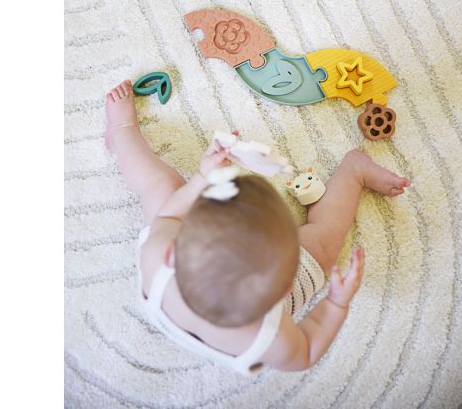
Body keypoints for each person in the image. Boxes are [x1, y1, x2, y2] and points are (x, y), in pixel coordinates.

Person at [105, 80, 410, 376]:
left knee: (159, 187)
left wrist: (202, 177)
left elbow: (170, 217)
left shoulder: (156, 256)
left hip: (167, 299)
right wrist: (336, 303)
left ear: (173, 252)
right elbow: (307, 350)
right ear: (286, 287)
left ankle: (122, 131)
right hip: (234, 311)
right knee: (323, 245)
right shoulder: (273, 339)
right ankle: (354, 171)